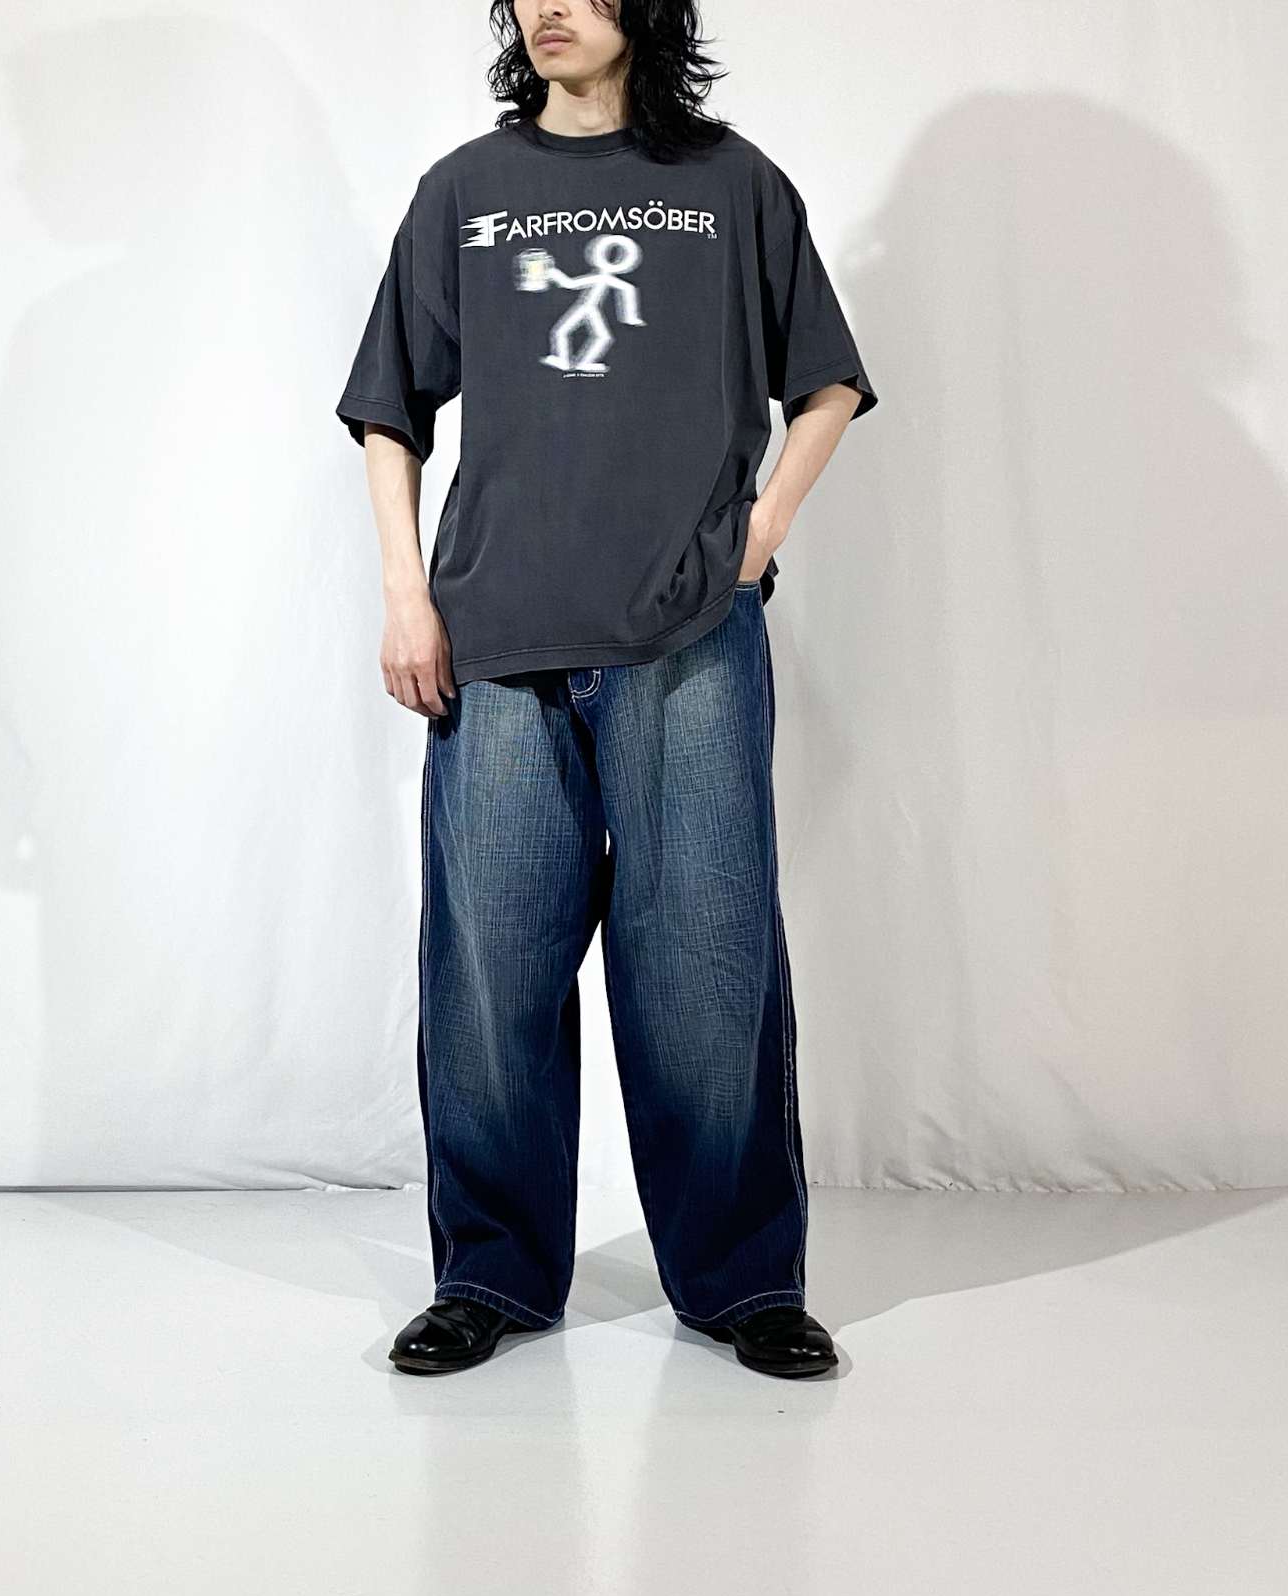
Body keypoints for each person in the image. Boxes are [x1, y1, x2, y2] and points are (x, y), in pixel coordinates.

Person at [335, 0, 878, 1379]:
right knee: (492, 978)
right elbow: (391, 405)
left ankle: (743, 1282)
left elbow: (824, 382)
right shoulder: (466, 190)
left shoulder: (734, 185)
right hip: (496, 636)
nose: (550, 6)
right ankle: (490, 1275)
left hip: (689, 638)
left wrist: (755, 537)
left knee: (707, 967)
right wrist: (406, 593)